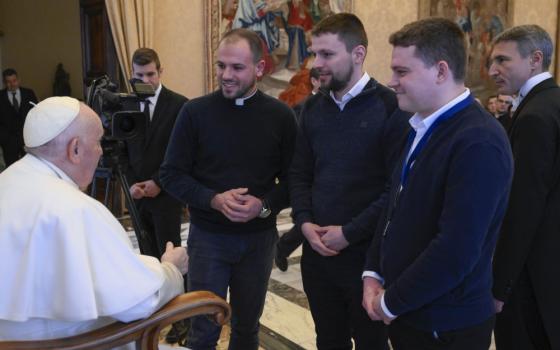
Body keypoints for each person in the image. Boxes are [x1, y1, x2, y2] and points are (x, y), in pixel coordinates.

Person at [362, 18, 513, 350]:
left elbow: (456, 250)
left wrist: (389, 303)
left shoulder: (479, 141)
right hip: (411, 313)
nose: (392, 81)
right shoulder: (417, 125)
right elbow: (394, 208)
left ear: (441, 71)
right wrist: (373, 272)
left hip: (446, 325)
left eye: (402, 72)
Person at [0, 97, 187, 349]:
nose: (102, 151)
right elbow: (138, 303)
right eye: (98, 141)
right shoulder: (74, 208)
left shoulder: (8, 179)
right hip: (72, 343)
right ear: (74, 149)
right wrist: (170, 270)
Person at [160, 28, 296, 350]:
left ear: (259, 69)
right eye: (221, 66)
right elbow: (171, 174)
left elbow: (295, 181)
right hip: (208, 240)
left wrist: (262, 206)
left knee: (248, 329)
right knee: (203, 331)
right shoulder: (194, 112)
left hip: (258, 240)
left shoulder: (281, 116)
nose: (226, 75)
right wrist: (213, 199)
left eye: (237, 67)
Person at [289, 13, 409, 350]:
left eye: (327, 55)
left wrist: (349, 233)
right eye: (314, 54)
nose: (317, 64)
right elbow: (299, 174)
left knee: (372, 343)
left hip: (368, 259)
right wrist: (305, 223)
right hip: (317, 256)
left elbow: (396, 190)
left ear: (358, 54)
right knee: (328, 340)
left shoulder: (392, 107)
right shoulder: (311, 109)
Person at [489, 24, 560, 350]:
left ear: (535, 59)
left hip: (531, 272)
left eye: (503, 60)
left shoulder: (534, 116)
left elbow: (522, 207)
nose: (493, 70)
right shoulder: (552, 101)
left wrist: (499, 285)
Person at [125, 47, 189, 344]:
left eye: (151, 74)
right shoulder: (125, 106)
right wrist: (132, 184)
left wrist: (157, 183)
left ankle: (182, 320)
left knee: (171, 254)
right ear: (132, 75)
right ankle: (155, 317)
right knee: (147, 258)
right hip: (137, 194)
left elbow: (182, 153)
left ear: (160, 72)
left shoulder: (179, 106)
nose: (146, 80)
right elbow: (121, 148)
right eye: (140, 75)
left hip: (166, 194)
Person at [275, 66, 320, 273]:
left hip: (320, 174)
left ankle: (282, 246)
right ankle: (281, 246)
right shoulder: (303, 108)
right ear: (315, 82)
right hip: (307, 173)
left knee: (308, 219)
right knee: (307, 218)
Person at [0, 68, 38, 167]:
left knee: (31, 166)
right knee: (11, 168)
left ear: (18, 80)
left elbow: (36, 112)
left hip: (28, 138)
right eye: (8, 82)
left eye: (14, 81)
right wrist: (4, 138)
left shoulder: (28, 93)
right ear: (4, 83)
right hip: (8, 141)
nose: (12, 84)